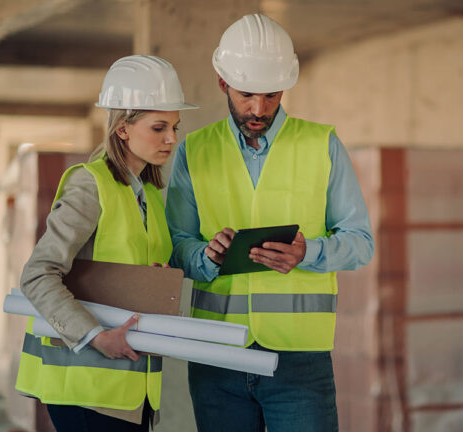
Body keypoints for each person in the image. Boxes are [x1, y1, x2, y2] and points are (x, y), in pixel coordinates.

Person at [166, 13, 374, 432]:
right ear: (223, 82)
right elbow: (175, 244)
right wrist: (205, 256)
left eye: (272, 95)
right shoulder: (195, 151)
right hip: (217, 355)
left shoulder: (322, 144)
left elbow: (360, 241)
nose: (258, 109)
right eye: (246, 95)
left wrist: (308, 253)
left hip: (299, 360)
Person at [14, 55, 197, 431]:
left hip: (128, 389)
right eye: (159, 127)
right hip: (86, 387)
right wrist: (95, 336)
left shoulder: (148, 195)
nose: (172, 139)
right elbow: (37, 274)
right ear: (123, 128)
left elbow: (123, 271)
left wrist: (155, 283)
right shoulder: (90, 185)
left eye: (175, 127)